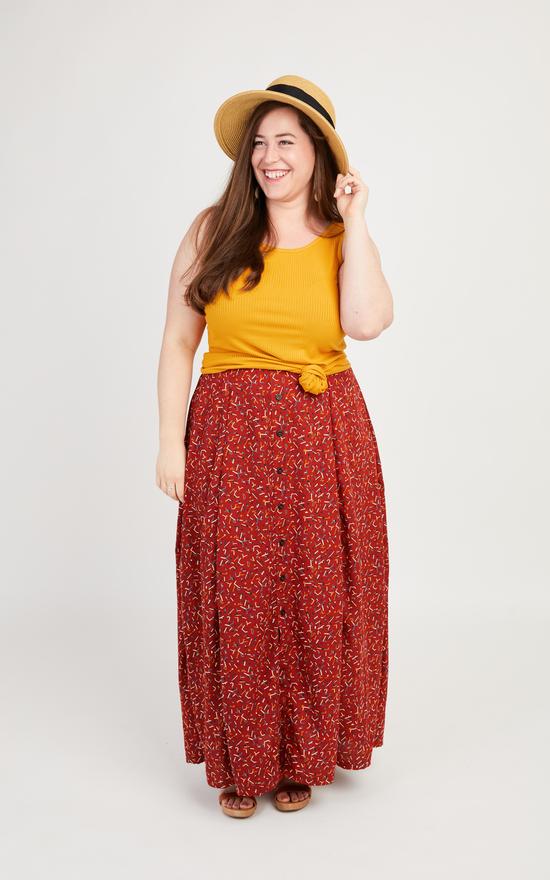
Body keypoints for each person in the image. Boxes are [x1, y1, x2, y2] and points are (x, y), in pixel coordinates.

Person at [156, 75, 393, 819]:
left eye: (286, 141)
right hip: (228, 434)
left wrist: (356, 221)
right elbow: (178, 341)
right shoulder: (211, 232)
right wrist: (169, 441)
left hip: (326, 434)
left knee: (317, 594)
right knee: (237, 594)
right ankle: (241, 757)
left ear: (318, 153)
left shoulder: (340, 238)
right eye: (259, 143)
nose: (269, 157)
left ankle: (300, 756)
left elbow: (367, 322)